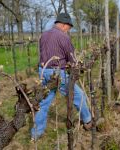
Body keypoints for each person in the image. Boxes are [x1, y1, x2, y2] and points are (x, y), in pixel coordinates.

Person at [31, 13, 92, 141]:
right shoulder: (63, 37)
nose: (68, 30)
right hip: (58, 72)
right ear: (64, 25)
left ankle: (36, 133)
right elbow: (72, 58)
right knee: (78, 95)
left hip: (43, 71)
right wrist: (77, 67)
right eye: (68, 27)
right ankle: (87, 121)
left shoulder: (44, 35)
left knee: (43, 102)